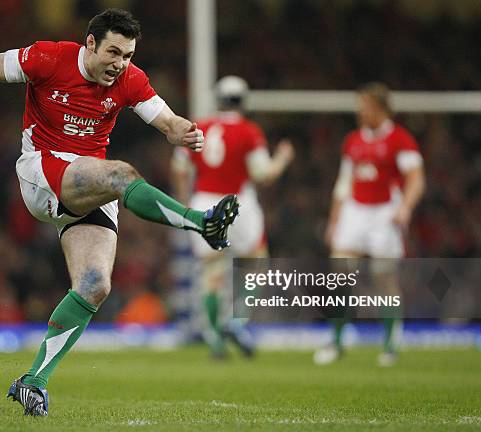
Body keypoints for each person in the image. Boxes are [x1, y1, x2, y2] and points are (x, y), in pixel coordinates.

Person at [0, 9, 239, 416]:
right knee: (122, 173)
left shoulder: (129, 79)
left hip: (89, 184)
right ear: (90, 43)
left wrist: (183, 132)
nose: (120, 63)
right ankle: (201, 223)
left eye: (127, 55)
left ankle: (32, 381)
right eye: (113, 52)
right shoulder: (49, 58)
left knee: (94, 285)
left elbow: (168, 121)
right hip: (42, 170)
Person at [171, 76, 294, 358]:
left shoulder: (199, 126)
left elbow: (179, 168)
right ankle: (235, 322)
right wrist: (284, 158)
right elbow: (263, 174)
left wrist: (184, 203)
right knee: (257, 263)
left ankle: (214, 337)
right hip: (238, 203)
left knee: (212, 276)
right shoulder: (249, 132)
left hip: (203, 203)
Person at [314, 82, 425, 366]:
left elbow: (415, 178)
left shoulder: (400, 139)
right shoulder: (353, 140)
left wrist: (406, 207)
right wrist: (334, 219)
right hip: (355, 211)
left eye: (364, 106)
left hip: (384, 213)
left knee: (384, 279)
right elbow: (343, 183)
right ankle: (337, 341)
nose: (359, 111)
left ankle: (390, 343)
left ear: (380, 108)